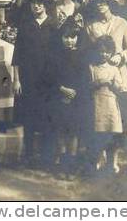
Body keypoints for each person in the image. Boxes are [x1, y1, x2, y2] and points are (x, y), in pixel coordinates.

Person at [12, 0, 57, 167]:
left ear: (46, 5)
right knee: (28, 118)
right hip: (28, 79)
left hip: (47, 80)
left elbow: (58, 56)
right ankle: (28, 155)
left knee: (46, 117)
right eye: (33, 3)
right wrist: (16, 79)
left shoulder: (53, 26)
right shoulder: (25, 26)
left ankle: (46, 157)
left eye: (40, 3)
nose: (36, 6)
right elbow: (17, 56)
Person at [84, 0, 127, 151]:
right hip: (100, 76)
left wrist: (121, 56)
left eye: (104, 1)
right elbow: (89, 51)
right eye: (97, 2)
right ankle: (100, 155)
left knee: (118, 118)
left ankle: (114, 157)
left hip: (119, 74)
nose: (100, 5)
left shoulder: (122, 23)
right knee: (100, 118)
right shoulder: (90, 26)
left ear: (110, 3)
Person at [49, 18, 87, 178]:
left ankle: (71, 165)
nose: (69, 40)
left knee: (73, 133)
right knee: (60, 132)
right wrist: (62, 89)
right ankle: (62, 164)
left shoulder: (82, 56)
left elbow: (85, 78)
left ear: (77, 37)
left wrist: (75, 92)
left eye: (72, 37)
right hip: (59, 97)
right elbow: (48, 78)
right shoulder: (55, 56)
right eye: (66, 37)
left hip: (76, 100)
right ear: (61, 38)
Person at [87, 35, 124, 174]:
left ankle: (113, 162)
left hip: (111, 105)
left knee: (112, 135)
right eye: (101, 51)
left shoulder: (114, 69)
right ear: (97, 51)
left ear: (111, 52)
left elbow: (120, 87)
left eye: (107, 51)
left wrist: (111, 83)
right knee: (99, 134)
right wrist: (96, 83)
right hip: (97, 103)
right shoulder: (92, 68)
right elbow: (87, 85)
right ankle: (99, 159)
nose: (104, 54)